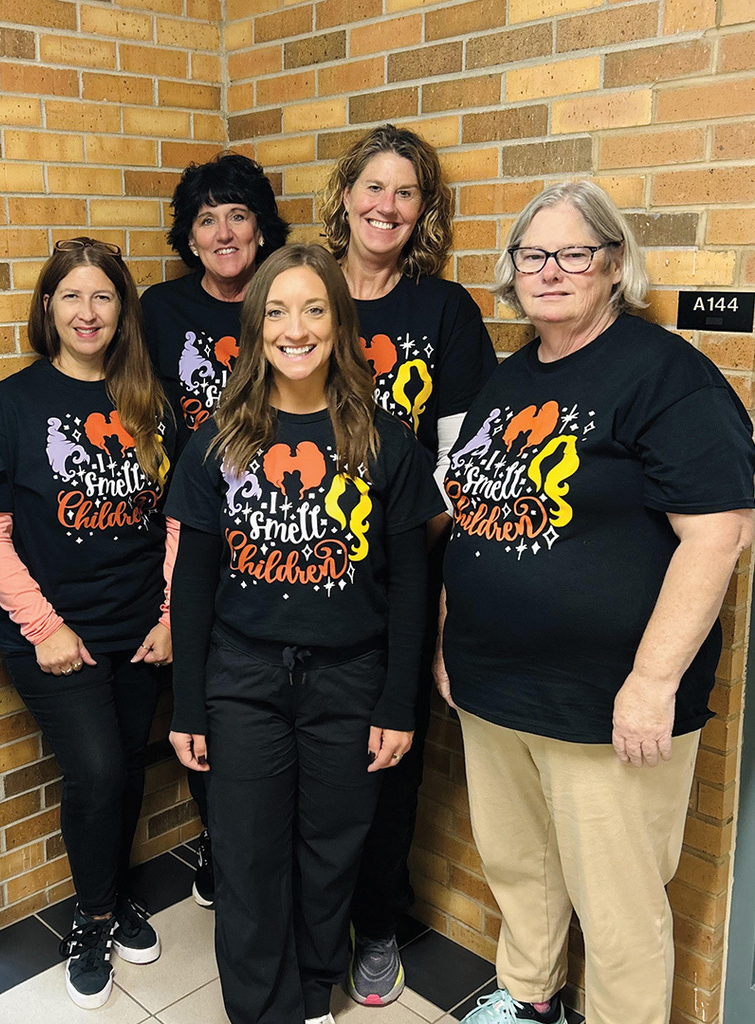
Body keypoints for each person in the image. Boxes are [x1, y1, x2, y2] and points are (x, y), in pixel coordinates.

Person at [436, 181, 755, 1024]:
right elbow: (474, 516)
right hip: (494, 688)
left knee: (618, 906)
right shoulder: (510, 377)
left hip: (609, 702)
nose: (550, 270)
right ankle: (529, 998)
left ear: (613, 264)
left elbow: (718, 535)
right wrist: (446, 639)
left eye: (573, 252)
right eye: (531, 254)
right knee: (519, 866)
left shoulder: (666, 376)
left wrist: (651, 684)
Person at [166, 244, 444, 1024]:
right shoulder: (220, 440)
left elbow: (412, 581)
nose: (297, 328)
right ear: (256, 329)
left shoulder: (383, 441)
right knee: (249, 857)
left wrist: (399, 704)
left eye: (315, 309)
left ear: (340, 324)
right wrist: (188, 705)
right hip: (243, 678)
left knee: (331, 852)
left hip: (351, 679)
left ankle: (314, 992)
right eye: (278, 312)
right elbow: (191, 580)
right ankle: (263, 1010)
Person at [0, 238, 183, 1009]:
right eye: (72, 296)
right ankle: (93, 915)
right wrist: (43, 627)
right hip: (55, 634)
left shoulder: (148, 401)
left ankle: (111, 892)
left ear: (122, 311)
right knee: (96, 770)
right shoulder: (12, 404)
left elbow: (175, 525)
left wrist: (169, 615)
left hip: (139, 627)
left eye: (103, 297)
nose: (88, 312)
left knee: (129, 764)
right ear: (48, 308)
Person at [320, 122, 497, 1005]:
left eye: (406, 192)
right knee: (306, 757)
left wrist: (404, 537)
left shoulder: (445, 313)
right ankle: (311, 920)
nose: (386, 206)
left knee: (389, 758)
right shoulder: (304, 292)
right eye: (374, 186)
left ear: (422, 210)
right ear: (345, 194)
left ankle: (379, 924)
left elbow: (465, 457)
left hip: (406, 566)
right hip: (297, 565)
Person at [142, 150, 288, 905]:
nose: (224, 231)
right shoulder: (160, 312)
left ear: (261, 228)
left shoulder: (289, 299)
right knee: (195, 692)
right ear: (189, 237)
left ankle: (261, 848)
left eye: (238, 214)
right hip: (194, 528)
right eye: (207, 219)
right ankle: (219, 842)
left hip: (285, 526)